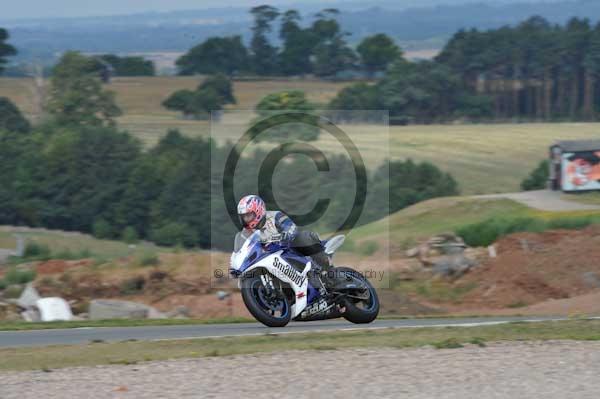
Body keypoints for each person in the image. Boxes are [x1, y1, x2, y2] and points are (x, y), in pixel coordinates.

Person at [234, 194, 332, 285]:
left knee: (303, 237)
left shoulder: (274, 216)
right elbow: (244, 248)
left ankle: (327, 268)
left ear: (258, 211)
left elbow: (291, 227)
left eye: (248, 215)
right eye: (243, 217)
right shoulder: (247, 232)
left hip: (288, 249)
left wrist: (286, 234)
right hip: (270, 259)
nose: (245, 219)